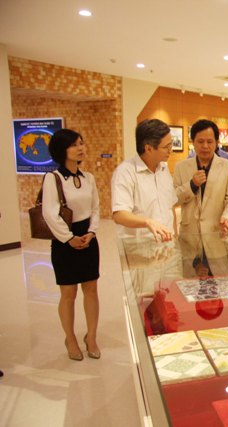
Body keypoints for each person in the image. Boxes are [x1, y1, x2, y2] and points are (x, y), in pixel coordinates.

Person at [42, 129, 101, 361]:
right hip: (64, 240)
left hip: (88, 238)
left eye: (81, 143)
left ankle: (91, 336)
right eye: (75, 145)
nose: (81, 148)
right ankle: (70, 338)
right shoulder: (53, 178)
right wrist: (69, 238)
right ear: (62, 150)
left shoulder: (89, 178)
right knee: (69, 293)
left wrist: (91, 232)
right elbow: (49, 213)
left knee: (91, 289)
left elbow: (95, 208)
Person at [173, 119, 228, 237]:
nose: (205, 146)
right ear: (193, 142)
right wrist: (192, 185)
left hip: (218, 233)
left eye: (210, 142)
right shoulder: (181, 167)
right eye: (200, 141)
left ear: (216, 142)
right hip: (190, 235)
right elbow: (174, 199)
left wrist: (227, 217)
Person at [111, 119, 177, 241]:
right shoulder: (125, 172)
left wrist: (175, 235)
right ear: (149, 149)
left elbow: (170, 206)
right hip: (140, 245)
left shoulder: (164, 169)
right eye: (166, 147)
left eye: (171, 144)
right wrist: (147, 222)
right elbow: (119, 215)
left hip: (166, 244)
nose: (170, 150)